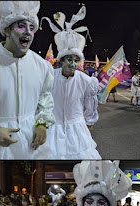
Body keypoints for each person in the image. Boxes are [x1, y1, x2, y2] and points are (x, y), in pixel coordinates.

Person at [41, 7, 101, 159]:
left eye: (76, 60)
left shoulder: (86, 81)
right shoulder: (50, 77)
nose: (73, 63)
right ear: (61, 61)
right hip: (52, 129)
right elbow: (42, 101)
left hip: (77, 128)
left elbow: (90, 105)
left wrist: (89, 123)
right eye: (69, 59)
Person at [0, 1, 55, 159]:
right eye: (21, 26)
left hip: (31, 145)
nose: (28, 32)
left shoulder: (41, 65)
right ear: (7, 30)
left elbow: (45, 97)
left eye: (31, 28)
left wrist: (42, 124)